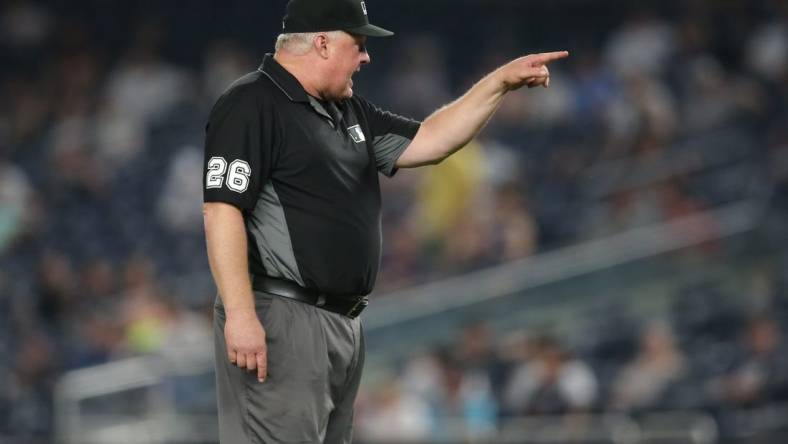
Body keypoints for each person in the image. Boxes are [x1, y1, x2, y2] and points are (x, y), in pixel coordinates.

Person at [202, 0, 568, 442]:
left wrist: (499, 82)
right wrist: (240, 314)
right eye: (357, 43)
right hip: (282, 314)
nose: (366, 56)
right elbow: (222, 209)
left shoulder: (348, 111)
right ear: (321, 43)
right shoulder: (251, 103)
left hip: (342, 321)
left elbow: (431, 139)